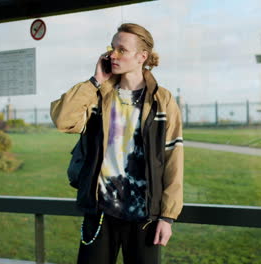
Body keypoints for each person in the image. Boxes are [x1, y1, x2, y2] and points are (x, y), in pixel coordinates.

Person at [50, 23, 184, 264]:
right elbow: (62, 120)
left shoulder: (162, 100)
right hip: (100, 213)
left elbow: (173, 158)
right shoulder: (99, 95)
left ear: (142, 56)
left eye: (122, 49)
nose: (113, 54)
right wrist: (95, 81)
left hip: (145, 217)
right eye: (112, 48)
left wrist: (167, 216)